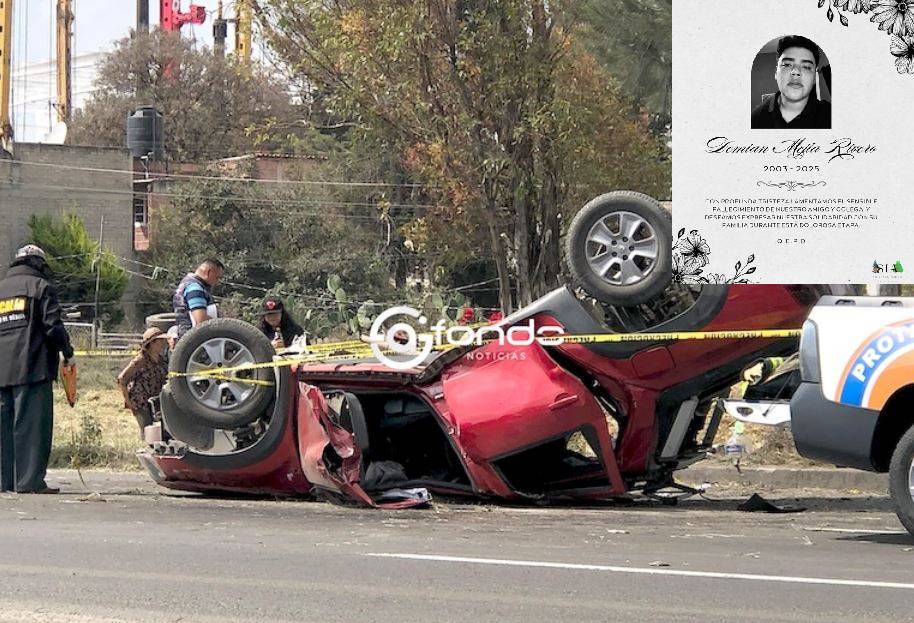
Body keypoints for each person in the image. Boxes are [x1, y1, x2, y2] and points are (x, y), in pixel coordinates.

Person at [0, 245, 74, 494]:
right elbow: (53, 326)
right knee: (32, 428)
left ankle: (5, 482)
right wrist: (68, 352)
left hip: (1, 372)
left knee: (4, 427)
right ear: (39, 264)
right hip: (32, 368)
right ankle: (29, 482)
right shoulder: (41, 287)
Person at [751, 35, 831, 129]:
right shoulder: (754, 120)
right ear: (776, 73)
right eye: (787, 64)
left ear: (814, 78)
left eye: (806, 67)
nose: (796, 71)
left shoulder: (832, 116)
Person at [116, 328, 169, 438]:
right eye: (160, 341)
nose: (163, 343)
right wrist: (128, 402)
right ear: (152, 343)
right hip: (141, 402)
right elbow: (122, 379)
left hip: (156, 401)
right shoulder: (140, 360)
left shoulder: (161, 360)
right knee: (148, 431)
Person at [172, 258, 224, 340]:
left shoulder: (190, 283)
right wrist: (223, 327)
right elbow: (201, 320)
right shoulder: (195, 288)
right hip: (193, 340)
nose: (217, 281)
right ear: (208, 272)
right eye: (217, 277)